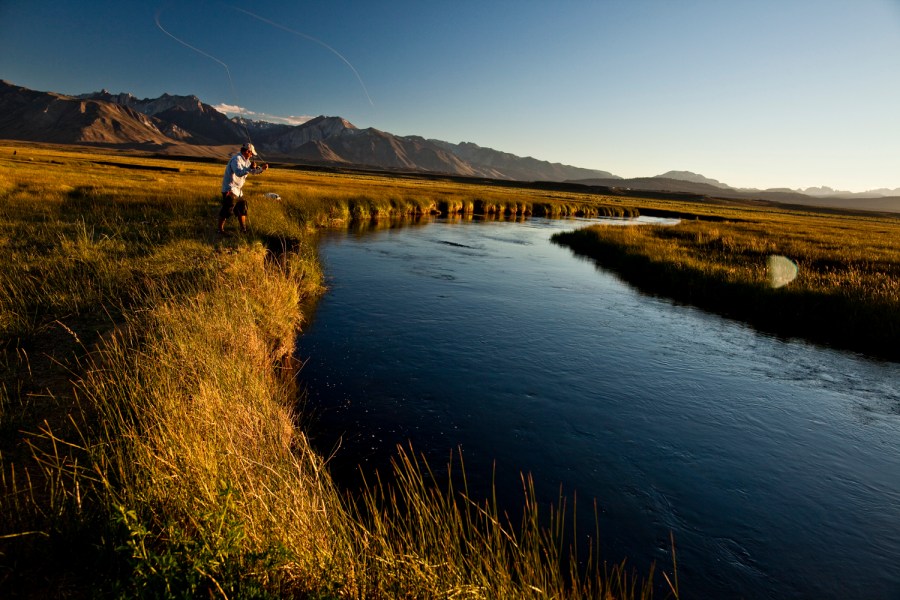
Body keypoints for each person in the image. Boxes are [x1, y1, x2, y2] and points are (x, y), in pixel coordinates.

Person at [218, 142, 268, 234]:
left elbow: (253, 171)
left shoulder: (247, 161)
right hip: (230, 189)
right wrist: (249, 168)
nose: (252, 155)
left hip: (238, 190)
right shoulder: (236, 159)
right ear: (247, 151)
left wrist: (262, 169)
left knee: (242, 208)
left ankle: (243, 229)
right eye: (251, 153)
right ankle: (220, 230)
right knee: (227, 209)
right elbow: (238, 172)